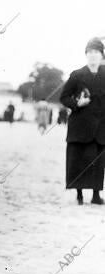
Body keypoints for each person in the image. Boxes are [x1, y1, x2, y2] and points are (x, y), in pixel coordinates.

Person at [60, 37, 105, 205]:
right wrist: (77, 103)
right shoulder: (77, 75)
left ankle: (96, 195)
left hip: (101, 127)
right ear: (86, 55)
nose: (93, 56)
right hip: (80, 126)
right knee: (78, 159)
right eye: (90, 52)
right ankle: (79, 195)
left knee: (98, 162)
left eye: (96, 52)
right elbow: (64, 97)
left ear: (101, 55)